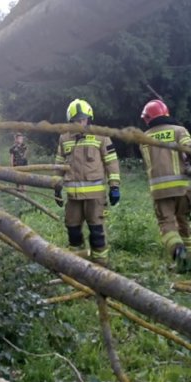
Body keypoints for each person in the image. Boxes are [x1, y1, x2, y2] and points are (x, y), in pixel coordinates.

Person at [55, 99, 120, 267]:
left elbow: (111, 161)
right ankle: (77, 266)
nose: (79, 123)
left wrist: (114, 186)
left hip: (95, 196)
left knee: (97, 232)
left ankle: (101, 268)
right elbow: (59, 164)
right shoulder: (64, 138)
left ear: (88, 118)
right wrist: (55, 185)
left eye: (82, 119)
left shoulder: (101, 136)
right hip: (73, 198)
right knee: (73, 231)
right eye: (76, 120)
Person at [139, 99, 191, 272]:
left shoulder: (143, 138)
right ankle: (189, 261)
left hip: (159, 190)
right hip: (182, 187)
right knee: (183, 221)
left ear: (148, 118)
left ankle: (178, 252)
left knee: (167, 224)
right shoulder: (179, 131)